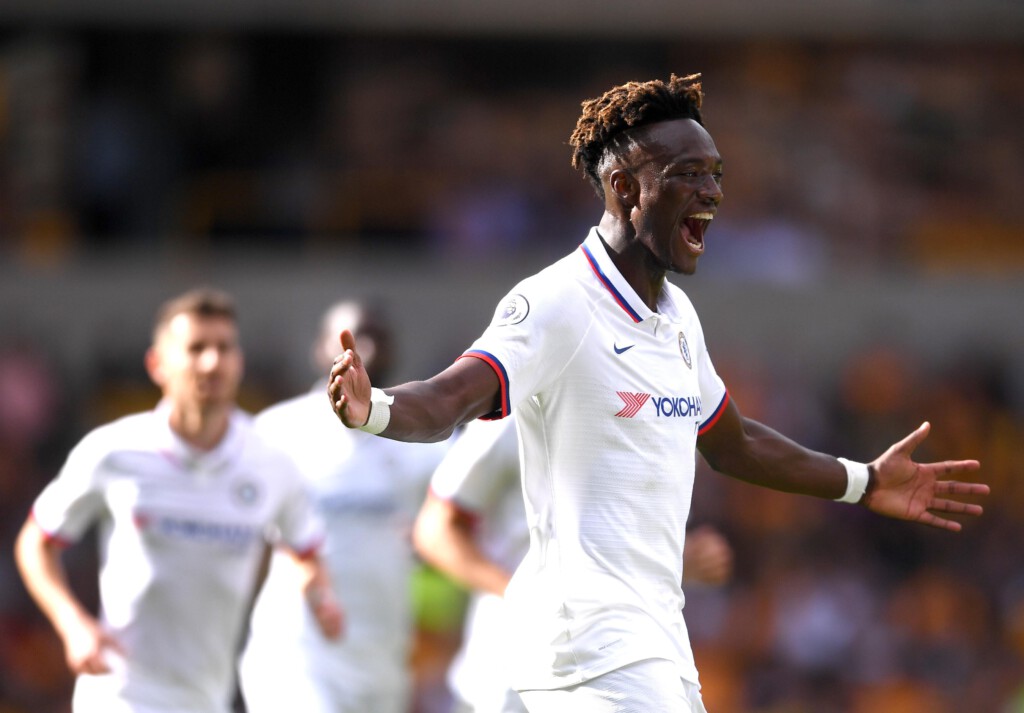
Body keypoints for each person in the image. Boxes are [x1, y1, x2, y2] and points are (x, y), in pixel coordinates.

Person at [327, 74, 987, 712]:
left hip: (657, 638)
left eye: (716, 174)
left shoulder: (676, 317)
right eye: (689, 174)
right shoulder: (556, 302)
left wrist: (863, 481)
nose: (713, 193)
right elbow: (449, 397)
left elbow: (734, 443)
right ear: (624, 187)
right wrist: (374, 407)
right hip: (585, 643)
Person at [14, 287, 342, 713]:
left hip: (207, 699)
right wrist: (72, 624)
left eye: (224, 348)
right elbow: (35, 542)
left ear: (239, 362)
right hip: (119, 695)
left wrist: (322, 601)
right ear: (157, 364)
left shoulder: (271, 463)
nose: (212, 362)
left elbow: (306, 550)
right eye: (196, 348)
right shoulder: (114, 450)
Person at [413, 416, 734, 713]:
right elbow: (434, 530)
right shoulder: (516, 411)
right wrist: (528, 598)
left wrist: (681, 562)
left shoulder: (666, 412)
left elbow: (634, 546)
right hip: (513, 672)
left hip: (622, 672)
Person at [238, 300, 449, 713]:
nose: (364, 350)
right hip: (296, 656)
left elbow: (448, 533)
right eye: (350, 339)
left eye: (376, 339)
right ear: (318, 350)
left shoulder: (426, 443)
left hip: (384, 659)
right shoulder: (277, 431)